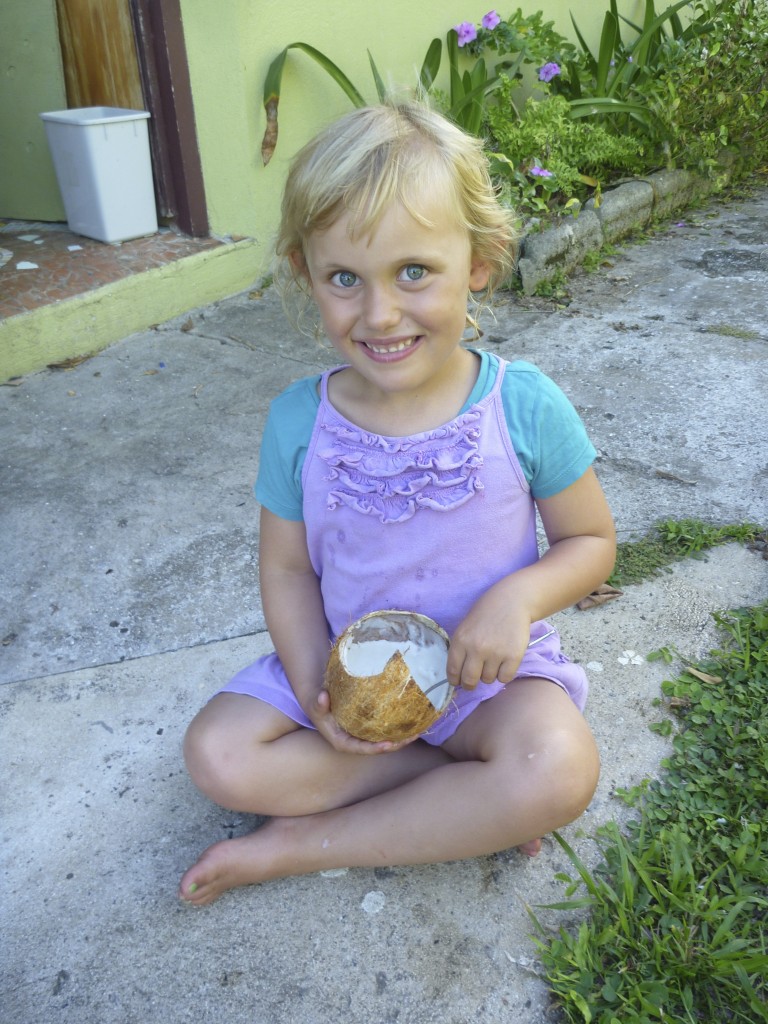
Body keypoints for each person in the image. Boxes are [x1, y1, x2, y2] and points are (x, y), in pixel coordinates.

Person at [179, 101, 616, 906]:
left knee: (558, 767)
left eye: (414, 271)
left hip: (489, 686)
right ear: (306, 272)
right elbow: (284, 570)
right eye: (345, 278)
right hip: (349, 678)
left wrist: (516, 600)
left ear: (480, 260)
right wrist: (320, 694)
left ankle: (300, 847)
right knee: (218, 757)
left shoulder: (524, 406)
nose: (379, 315)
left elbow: (590, 540)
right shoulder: (298, 421)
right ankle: (459, 798)